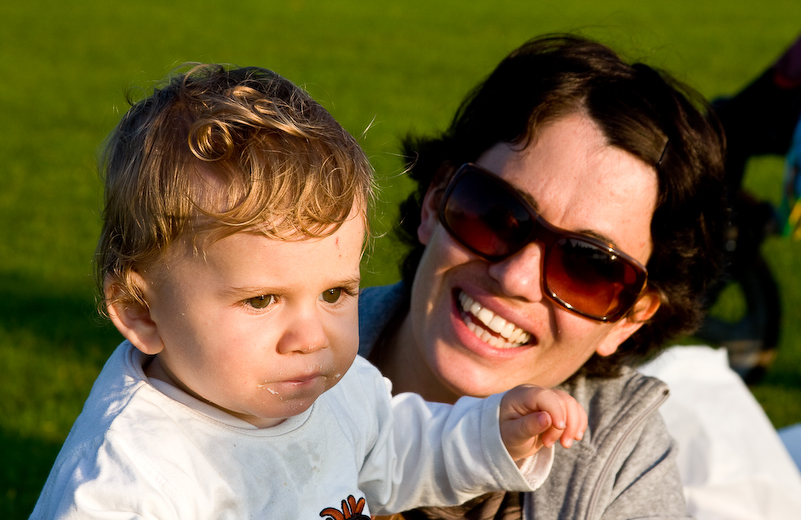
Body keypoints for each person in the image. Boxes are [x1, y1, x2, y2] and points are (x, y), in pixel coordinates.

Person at [29, 64, 589, 519]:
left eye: (334, 293)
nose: (310, 337)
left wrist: (493, 434)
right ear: (142, 312)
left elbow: (398, 448)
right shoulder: (132, 483)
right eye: (261, 300)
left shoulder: (331, 392)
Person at [359, 34, 728, 519]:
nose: (515, 278)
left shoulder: (621, 467)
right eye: (495, 214)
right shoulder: (261, 361)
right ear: (435, 199)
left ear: (629, 320)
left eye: (589, 266)